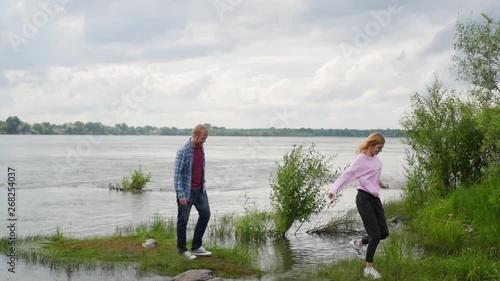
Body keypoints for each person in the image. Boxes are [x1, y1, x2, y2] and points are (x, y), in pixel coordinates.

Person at [327, 132, 389, 279]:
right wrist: (333, 190)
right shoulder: (360, 160)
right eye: (379, 147)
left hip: (374, 198)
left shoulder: (376, 160)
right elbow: (346, 175)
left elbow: (372, 175)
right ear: (372, 145)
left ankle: (358, 242)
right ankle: (368, 269)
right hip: (363, 199)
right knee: (375, 235)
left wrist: (381, 184)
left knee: (384, 233)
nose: (381, 150)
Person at [174, 124, 212, 260]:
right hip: (186, 192)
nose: (204, 141)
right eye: (203, 138)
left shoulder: (201, 148)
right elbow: (177, 174)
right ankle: (182, 250)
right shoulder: (183, 151)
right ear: (195, 136)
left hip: (200, 190)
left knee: (206, 214)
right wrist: (181, 194)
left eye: (205, 138)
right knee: (183, 221)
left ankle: (196, 247)